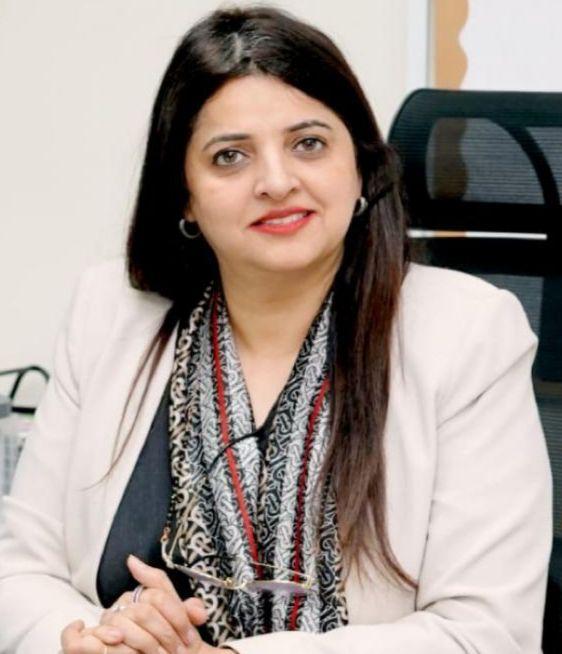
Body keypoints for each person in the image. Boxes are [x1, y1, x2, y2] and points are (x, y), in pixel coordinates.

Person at [0, 5, 552, 654]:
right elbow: (19, 568)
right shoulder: (108, 314)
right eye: (229, 157)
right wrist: (95, 640)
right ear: (184, 194)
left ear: (360, 166)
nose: (276, 181)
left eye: (308, 143)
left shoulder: (468, 335)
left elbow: (485, 634)